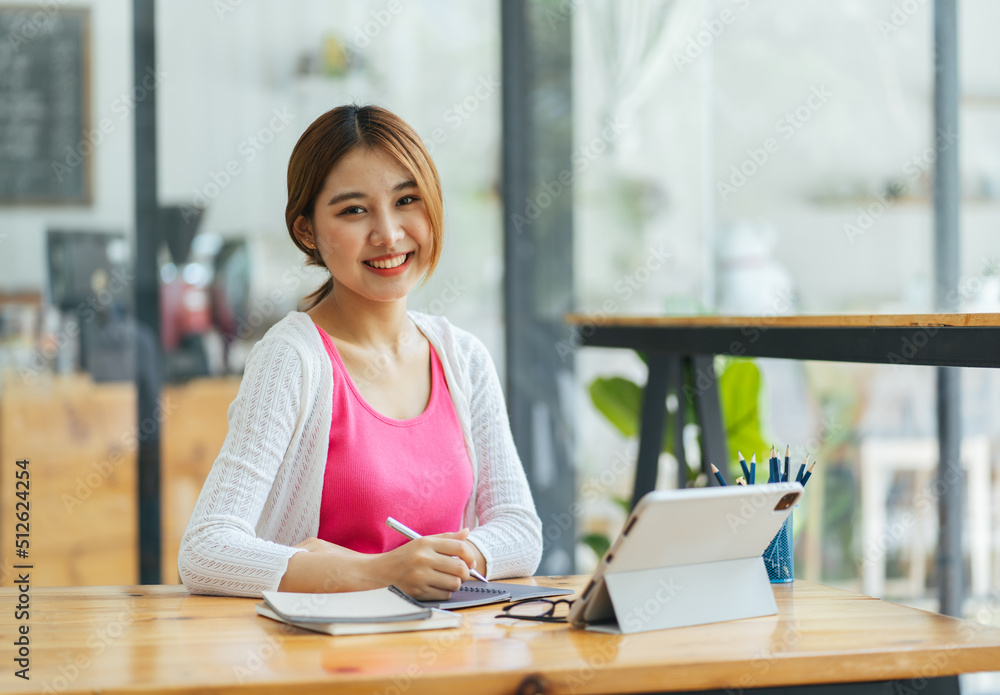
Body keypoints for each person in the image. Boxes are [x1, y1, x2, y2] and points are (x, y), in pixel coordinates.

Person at [178, 104, 542, 599]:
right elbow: (205, 551)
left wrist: (448, 561)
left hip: (450, 655)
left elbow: (520, 530)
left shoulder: (462, 357)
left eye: (407, 200)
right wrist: (380, 572)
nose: (388, 234)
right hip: (323, 660)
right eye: (353, 210)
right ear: (306, 230)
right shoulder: (292, 359)